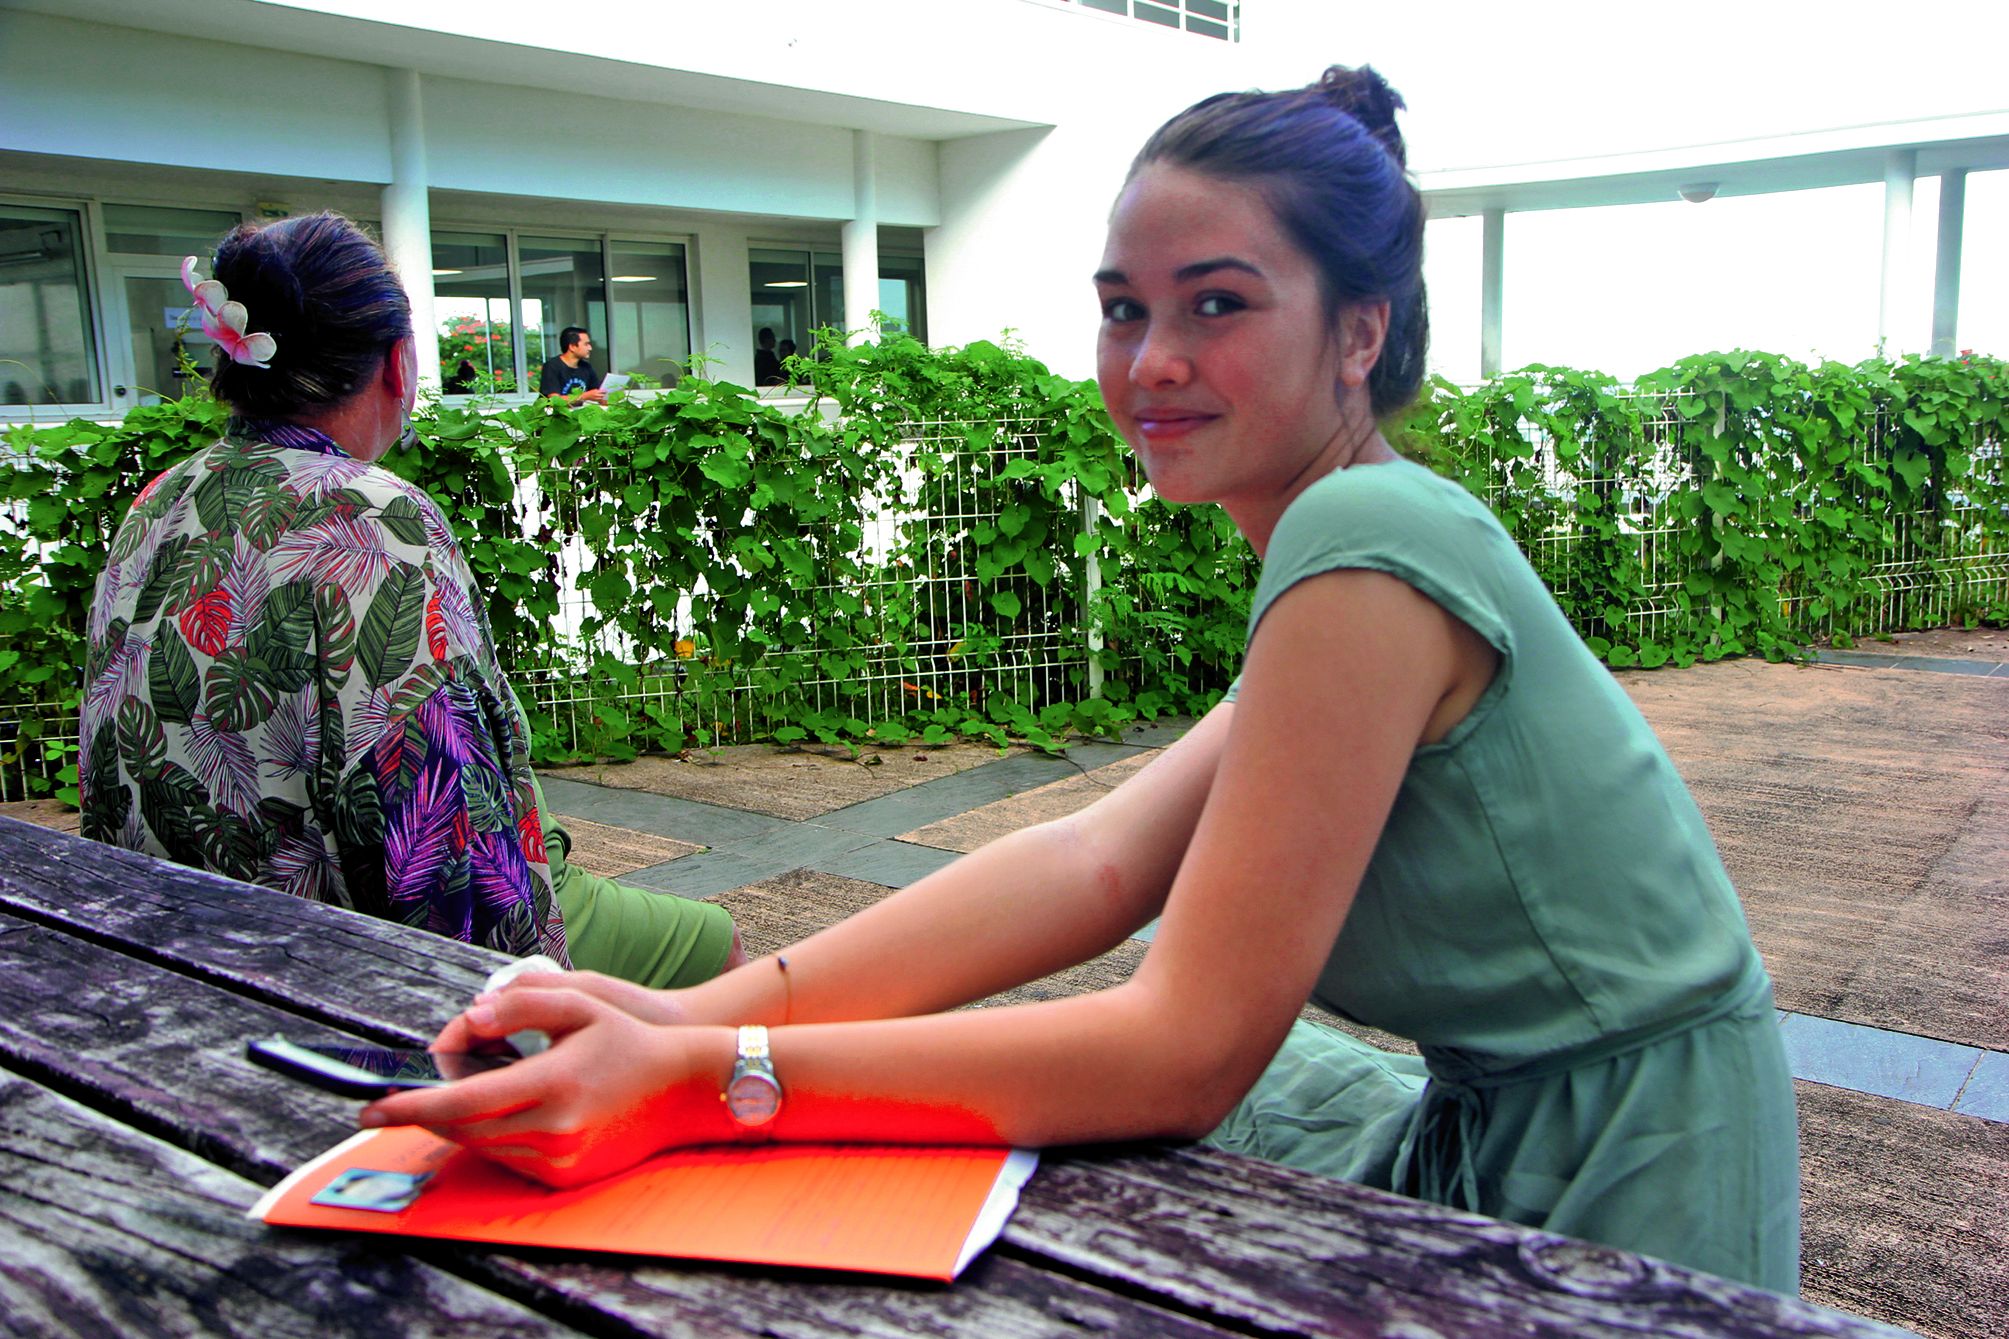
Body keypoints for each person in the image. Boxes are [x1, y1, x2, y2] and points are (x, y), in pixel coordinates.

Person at [366, 69, 1800, 1294]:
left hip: (1624, 1180)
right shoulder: (1360, 531)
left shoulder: (1366, 535)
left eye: (1217, 302)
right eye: (1123, 309)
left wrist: (705, 1082)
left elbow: (1184, 1050)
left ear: (1360, 329)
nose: (1152, 361)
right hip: (1513, 1117)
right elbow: (1096, 858)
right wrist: (687, 1016)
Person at [79, 213, 743, 988]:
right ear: (397, 362)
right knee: (720, 948)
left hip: (165, 931)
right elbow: (454, 860)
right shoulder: (368, 516)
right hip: (328, 961)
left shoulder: (162, 496)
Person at [538, 327, 605, 404]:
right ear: (572, 347)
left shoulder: (586, 367)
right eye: (586, 344)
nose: (590, 348)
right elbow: (554, 400)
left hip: (578, 411)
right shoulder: (551, 366)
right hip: (552, 411)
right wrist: (584, 396)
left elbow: (598, 394)